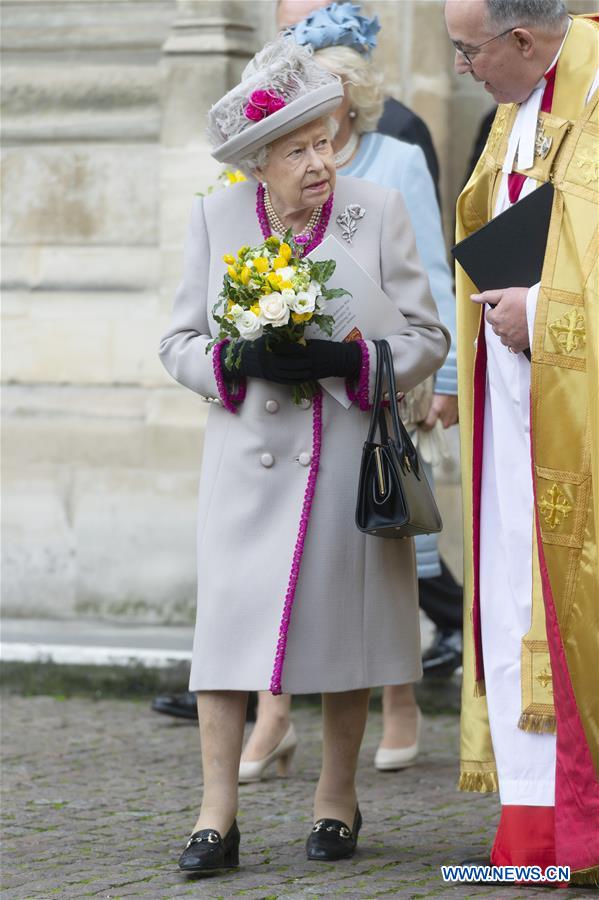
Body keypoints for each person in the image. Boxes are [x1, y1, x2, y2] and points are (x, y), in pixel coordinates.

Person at [159, 35, 449, 873]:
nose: (319, 160)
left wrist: (351, 360)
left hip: (343, 458)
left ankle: (336, 800)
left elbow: (426, 334)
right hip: (244, 463)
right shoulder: (214, 217)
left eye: (326, 139)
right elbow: (177, 339)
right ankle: (217, 814)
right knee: (223, 642)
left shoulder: (375, 210)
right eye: (298, 148)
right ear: (259, 160)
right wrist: (229, 360)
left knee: (344, 639)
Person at [239, 1, 460, 784]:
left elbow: (431, 277)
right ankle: (272, 713)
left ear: (350, 101)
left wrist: (441, 383)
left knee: (383, 545)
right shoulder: (266, 173)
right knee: (286, 561)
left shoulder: (394, 160)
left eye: (325, 107)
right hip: (293, 400)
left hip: (377, 390)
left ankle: (398, 703)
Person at [446, 0, 598, 883]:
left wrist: (538, 312)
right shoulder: (518, 103)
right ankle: (534, 829)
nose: (460, 68)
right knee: (511, 592)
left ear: (522, 40)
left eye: (467, 51)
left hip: (572, 404)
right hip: (515, 399)